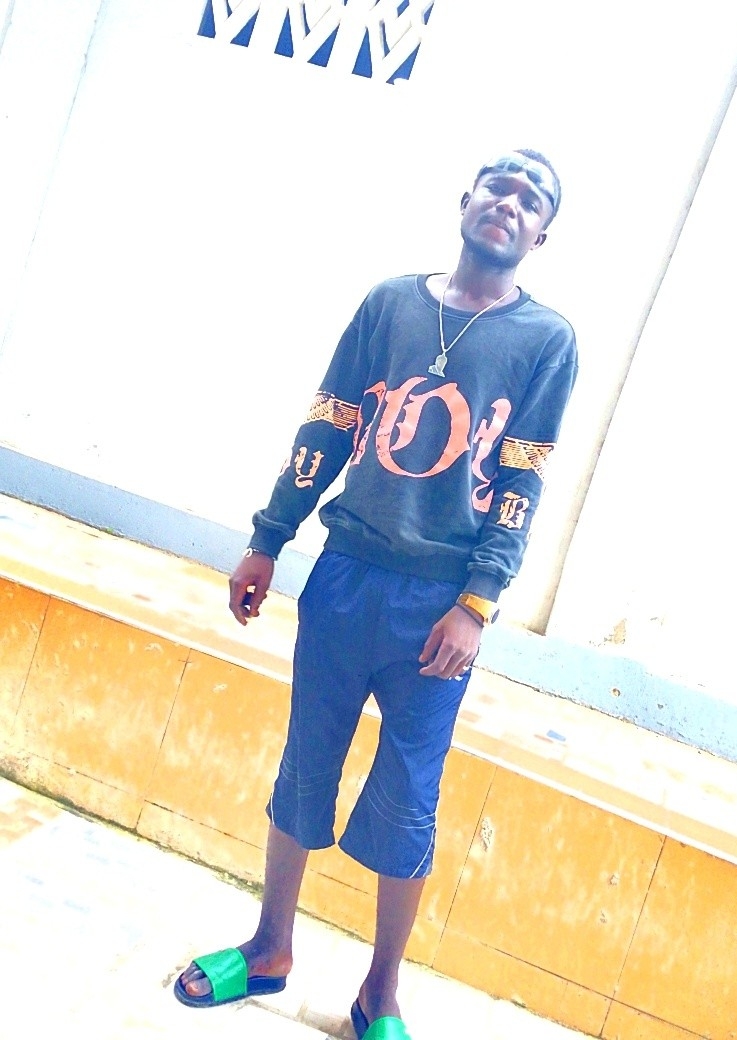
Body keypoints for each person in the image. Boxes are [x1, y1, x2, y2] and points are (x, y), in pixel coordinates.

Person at [174, 148, 578, 1040]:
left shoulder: (545, 341)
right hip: (345, 577)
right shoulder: (390, 303)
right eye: (499, 187)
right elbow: (329, 423)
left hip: (438, 610)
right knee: (305, 762)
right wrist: (268, 537)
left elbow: (522, 480)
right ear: (466, 201)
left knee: (409, 796)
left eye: (531, 201)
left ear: (541, 236)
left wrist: (477, 604)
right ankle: (270, 948)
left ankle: (379, 996)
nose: (509, 204)